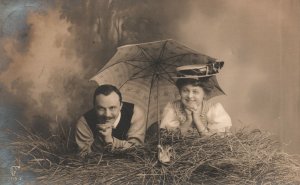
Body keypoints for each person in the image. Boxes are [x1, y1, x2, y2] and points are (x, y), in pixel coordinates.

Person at [75, 84, 146, 157]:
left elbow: (137, 150)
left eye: (112, 108)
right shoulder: (84, 122)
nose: (107, 115)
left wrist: (111, 141)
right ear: (94, 107)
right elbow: (83, 156)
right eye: (101, 108)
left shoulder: (135, 113)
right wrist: (99, 141)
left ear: (121, 105)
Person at [160, 66, 232, 136]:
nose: (190, 96)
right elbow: (171, 138)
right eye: (185, 91)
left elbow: (213, 140)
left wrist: (197, 119)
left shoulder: (212, 109)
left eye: (195, 92)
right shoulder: (173, 108)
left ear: (204, 94)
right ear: (179, 91)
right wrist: (188, 120)